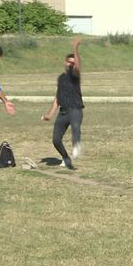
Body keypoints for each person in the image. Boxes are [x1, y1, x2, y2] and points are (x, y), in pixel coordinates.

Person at [42, 39, 84, 170]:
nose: (71, 65)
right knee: (56, 140)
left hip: (75, 109)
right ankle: (66, 158)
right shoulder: (61, 78)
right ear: (65, 63)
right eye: (69, 62)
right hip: (63, 112)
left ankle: (76, 145)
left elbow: (78, 66)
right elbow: (57, 97)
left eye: (73, 63)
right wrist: (50, 113)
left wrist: (75, 48)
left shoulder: (75, 75)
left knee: (75, 127)